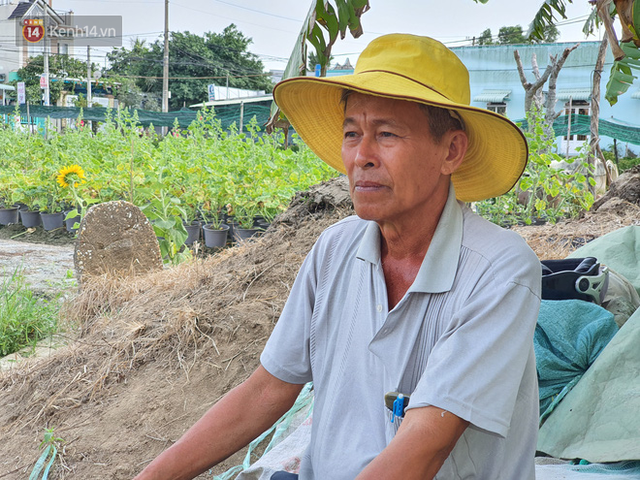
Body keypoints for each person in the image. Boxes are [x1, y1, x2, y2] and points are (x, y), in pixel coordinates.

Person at [134, 33, 541, 480]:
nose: (361, 156)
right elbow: (269, 388)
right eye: (352, 133)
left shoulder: (500, 271)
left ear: (450, 151)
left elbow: (422, 452)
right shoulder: (335, 248)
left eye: (386, 134)